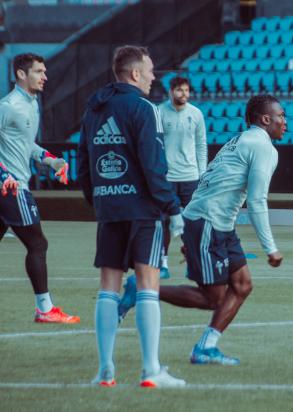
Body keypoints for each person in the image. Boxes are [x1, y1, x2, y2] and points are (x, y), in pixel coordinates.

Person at [119, 94, 285, 365]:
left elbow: (208, 181)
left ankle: (206, 347)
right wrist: (270, 248)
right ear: (266, 119)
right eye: (280, 116)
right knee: (213, 298)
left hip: (215, 223)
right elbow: (256, 200)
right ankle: (142, 288)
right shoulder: (263, 146)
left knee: (242, 285)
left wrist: (189, 228)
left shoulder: (239, 140)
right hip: (210, 222)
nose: (284, 122)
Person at [77, 45, 185, 388]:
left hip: (109, 208)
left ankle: (105, 370)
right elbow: (154, 166)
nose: (154, 77)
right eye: (150, 71)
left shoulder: (94, 109)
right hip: (142, 211)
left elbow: (84, 164)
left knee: (107, 288)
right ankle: (151, 370)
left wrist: (99, 199)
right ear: (134, 73)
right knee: (148, 286)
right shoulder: (144, 108)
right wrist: (173, 208)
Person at [0, 53, 78, 324]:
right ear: (21, 74)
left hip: (11, 186)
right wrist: (3, 176)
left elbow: (27, 145)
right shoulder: (8, 106)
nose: (45, 76)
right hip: (12, 188)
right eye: (38, 71)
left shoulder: (31, 105)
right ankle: (44, 309)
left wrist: (52, 160)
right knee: (37, 243)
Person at [158, 75, 207, 279]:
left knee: (192, 221)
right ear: (170, 92)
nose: (183, 94)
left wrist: (202, 173)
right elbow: (154, 144)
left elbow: (201, 145)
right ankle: (163, 264)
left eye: (186, 90)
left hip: (190, 177)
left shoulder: (196, 114)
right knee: (163, 221)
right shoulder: (159, 112)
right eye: (179, 90)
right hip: (166, 178)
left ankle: (192, 263)